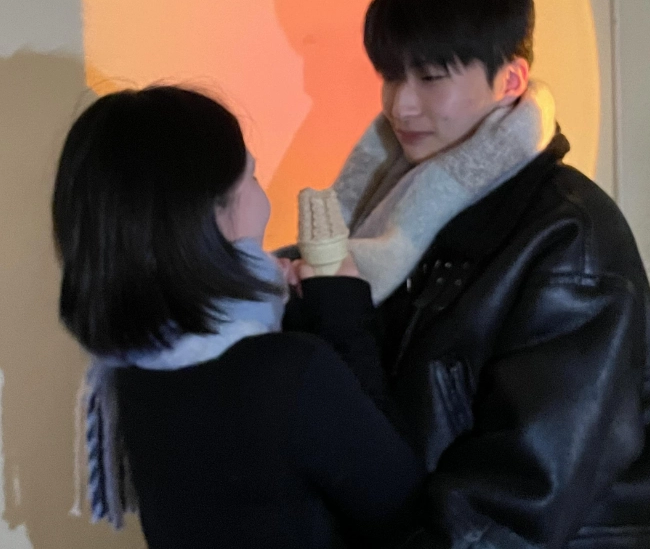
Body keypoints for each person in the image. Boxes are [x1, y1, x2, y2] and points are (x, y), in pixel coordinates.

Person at [291, 0, 650, 548]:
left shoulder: (568, 237)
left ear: (511, 80)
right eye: (392, 76)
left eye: (431, 77)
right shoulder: (396, 211)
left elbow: (525, 496)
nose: (401, 105)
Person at [52, 86, 423, 549]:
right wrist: (343, 311)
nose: (263, 197)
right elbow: (407, 512)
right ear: (210, 215)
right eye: (251, 177)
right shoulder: (288, 372)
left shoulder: (132, 366)